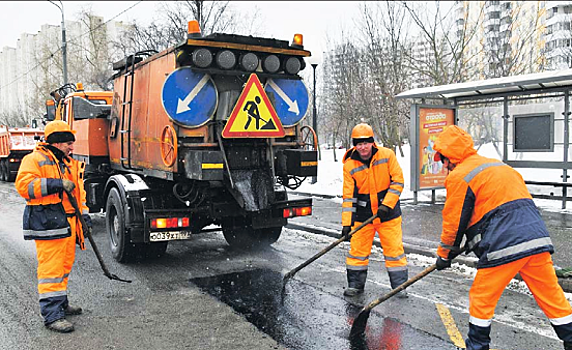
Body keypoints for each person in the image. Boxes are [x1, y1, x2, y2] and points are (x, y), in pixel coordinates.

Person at [432, 125, 572, 350]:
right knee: (551, 296)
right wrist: (473, 238)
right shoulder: (499, 166)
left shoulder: (460, 176)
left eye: (443, 160)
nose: (444, 166)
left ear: (451, 157)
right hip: (536, 239)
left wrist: (444, 255)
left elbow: (453, 223)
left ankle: (477, 346)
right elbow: (498, 207)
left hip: (504, 245)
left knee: (481, 297)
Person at [15, 120, 92, 333]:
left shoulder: (67, 163)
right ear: (56, 143)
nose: (71, 147)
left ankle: (61, 303)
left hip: (67, 221)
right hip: (49, 221)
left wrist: (84, 216)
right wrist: (55, 184)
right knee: (51, 270)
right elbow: (24, 186)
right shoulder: (35, 159)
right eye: (68, 143)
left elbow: (79, 194)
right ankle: (52, 316)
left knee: (64, 266)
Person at [341, 123, 408, 297]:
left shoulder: (387, 155)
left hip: (389, 215)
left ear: (372, 142)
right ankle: (355, 285)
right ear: (354, 145)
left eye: (366, 143)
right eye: (358, 143)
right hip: (363, 218)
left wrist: (387, 204)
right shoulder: (349, 165)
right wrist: (347, 224)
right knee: (357, 252)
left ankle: (399, 287)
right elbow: (348, 197)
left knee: (394, 251)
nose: (362, 147)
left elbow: (398, 181)